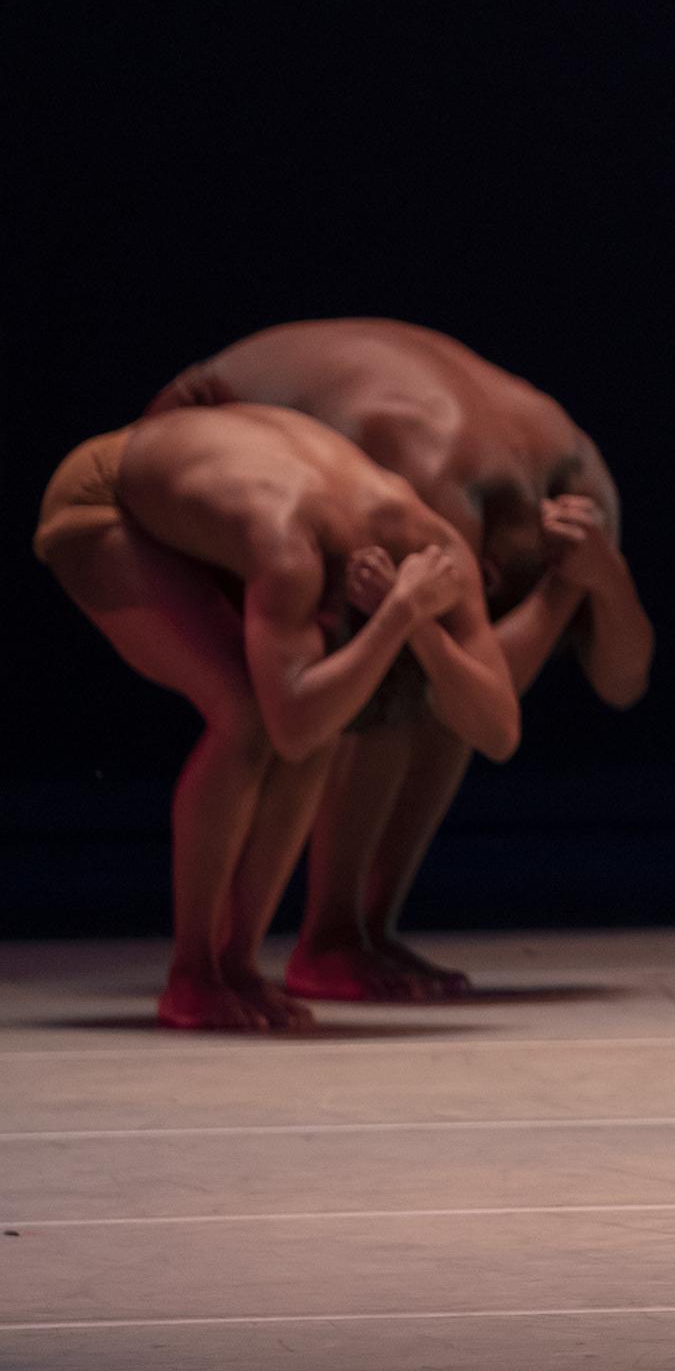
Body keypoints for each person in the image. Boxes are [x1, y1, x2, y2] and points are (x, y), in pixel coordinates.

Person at [147, 318, 652, 1000]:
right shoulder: (435, 488)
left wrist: (601, 580)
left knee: (429, 675)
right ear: (491, 569)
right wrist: (557, 594)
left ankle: (360, 929)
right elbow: (474, 701)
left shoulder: (585, 492)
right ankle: (315, 940)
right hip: (188, 425)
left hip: (304, 445)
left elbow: (622, 683)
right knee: (376, 686)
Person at [31, 405, 520, 1031]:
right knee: (248, 715)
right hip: (106, 498)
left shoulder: (441, 553)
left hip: (231, 485)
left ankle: (236, 966)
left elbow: (499, 732)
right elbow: (291, 724)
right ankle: (192, 975)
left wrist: (420, 625)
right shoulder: (289, 549)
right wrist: (397, 616)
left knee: (322, 717)